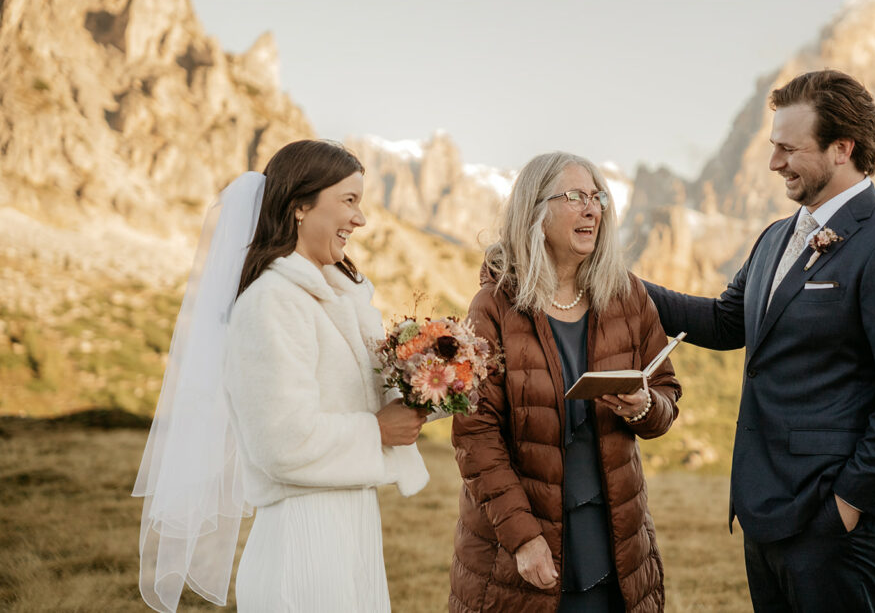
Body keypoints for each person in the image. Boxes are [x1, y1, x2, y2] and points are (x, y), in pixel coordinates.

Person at [644, 70, 875, 612]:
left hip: (834, 524)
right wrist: (616, 286)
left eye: (788, 148)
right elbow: (723, 322)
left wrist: (848, 504)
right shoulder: (776, 237)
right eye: (772, 146)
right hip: (766, 512)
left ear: (841, 149)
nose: (773, 163)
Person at [133, 139, 430, 612]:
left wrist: (439, 379)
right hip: (302, 545)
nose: (361, 219)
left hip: (354, 533)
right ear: (299, 207)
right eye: (349, 201)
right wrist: (375, 429)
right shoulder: (270, 302)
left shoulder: (339, 299)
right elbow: (281, 443)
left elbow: (371, 400)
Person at [449, 152, 681, 613]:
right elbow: (475, 435)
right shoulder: (493, 306)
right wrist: (523, 538)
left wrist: (643, 405)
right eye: (575, 196)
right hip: (523, 539)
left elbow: (667, 396)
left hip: (615, 537)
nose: (592, 209)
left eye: (597, 197)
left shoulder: (627, 294)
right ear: (535, 210)